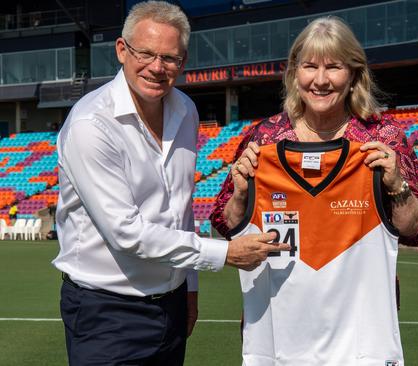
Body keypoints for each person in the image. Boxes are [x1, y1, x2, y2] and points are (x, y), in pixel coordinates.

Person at [52, 2, 289, 365]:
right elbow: (126, 233)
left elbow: (180, 210)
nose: (157, 68)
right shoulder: (90, 125)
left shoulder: (186, 111)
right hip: (106, 311)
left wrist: (189, 289)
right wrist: (225, 254)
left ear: (183, 61)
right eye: (145, 53)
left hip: (172, 305)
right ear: (121, 50)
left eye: (170, 58)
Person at [210, 16, 418, 364]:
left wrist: (398, 186)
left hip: (361, 339)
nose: (320, 80)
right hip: (279, 333)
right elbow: (227, 225)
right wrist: (241, 194)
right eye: (309, 66)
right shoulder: (264, 138)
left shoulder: (383, 138)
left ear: (353, 74)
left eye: (333, 67)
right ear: (294, 72)